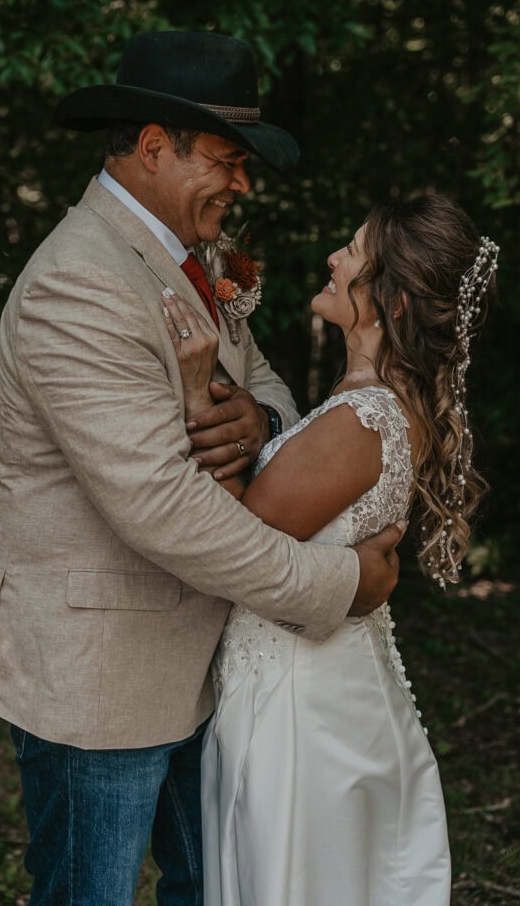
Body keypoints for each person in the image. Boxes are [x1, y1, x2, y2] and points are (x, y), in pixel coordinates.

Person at [0, 30, 404, 906]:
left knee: (209, 883)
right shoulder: (77, 284)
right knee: (88, 894)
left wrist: (263, 420)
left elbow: (267, 382)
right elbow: (158, 504)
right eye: (226, 160)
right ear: (151, 147)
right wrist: (337, 583)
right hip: (99, 668)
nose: (241, 184)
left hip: (203, 656)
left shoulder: (193, 259)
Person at [161, 194, 499, 906]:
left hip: (298, 703)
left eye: (352, 251)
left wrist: (197, 394)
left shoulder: (360, 417)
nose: (333, 257)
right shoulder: (377, 399)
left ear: (390, 302)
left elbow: (235, 538)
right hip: (318, 680)